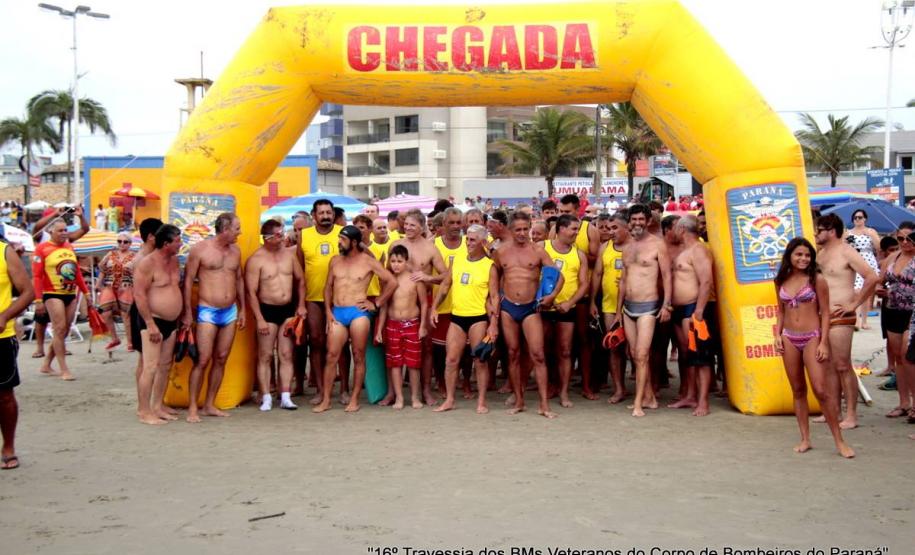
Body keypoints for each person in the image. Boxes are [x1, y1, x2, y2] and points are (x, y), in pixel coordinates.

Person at [773, 238, 854, 458]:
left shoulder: (817, 280)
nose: (803, 258)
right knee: (798, 389)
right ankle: (805, 438)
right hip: (789, 337)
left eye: (807, 255)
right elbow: (780, 311)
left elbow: (825, 312)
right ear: (790, 255)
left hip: (812, 337)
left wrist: (823, 342)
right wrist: (777, 335)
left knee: (821, 390)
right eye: (799, 254)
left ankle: (839, 441)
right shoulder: (780, 279)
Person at [313, 226, 396, 413]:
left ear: (354, 242)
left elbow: (391, 281)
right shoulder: (335, 261)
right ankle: (326, 399)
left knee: (358, 355)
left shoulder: (368, 261)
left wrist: (377, 303)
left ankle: (355, 399)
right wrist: (327, 311)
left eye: (342, 239)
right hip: (338, 311)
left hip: (358, 313)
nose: (339, 242)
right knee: (331, 355)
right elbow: (327, 287)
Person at [493, 211, 561, 418]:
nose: (522, 233)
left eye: (525, 229)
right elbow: (494, 275)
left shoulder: (538, 251)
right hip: (508, 308)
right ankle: (519, 400)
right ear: (511, 230)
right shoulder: (501, 252)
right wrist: (495, 299)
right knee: (513, 353)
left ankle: (544, 405)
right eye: (518, 230)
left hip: (531, 307)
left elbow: (558, 277)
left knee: (538, 355)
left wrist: (551, 297)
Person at [814, 214, 878, 430]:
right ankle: (834, 410)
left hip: (842, 314)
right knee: (828, 366)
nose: (816, 233)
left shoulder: (846, 252)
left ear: (831, 230)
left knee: (842, 364)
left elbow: (872, 277)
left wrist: (855, 304)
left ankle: (851, 414)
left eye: (820, 229)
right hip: (823, 315)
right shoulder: (820, 254)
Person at [183, 212, 247, 423]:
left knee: (221, 358)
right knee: (202, 359)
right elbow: (188, 281)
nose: (240, 232)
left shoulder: (235, 251)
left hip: (230, 311)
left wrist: (243, 309)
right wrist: (187, 313)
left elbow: (238, 279)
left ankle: (209, 404)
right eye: (237, 228)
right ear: (226, 229)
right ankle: (193, 406)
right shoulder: (201, 250)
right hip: (207, 309)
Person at [432, 225, 499, 414]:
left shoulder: (489, 266)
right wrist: (433, 307)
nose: (468, 243)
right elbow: (445, 285)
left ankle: (482, 401)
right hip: (457, 317)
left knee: (480, 360)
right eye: (467, 239)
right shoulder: (459, 260)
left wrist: (493, 324)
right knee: (451, 360)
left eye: (473, 240)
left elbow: (494, 297)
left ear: (483, 243)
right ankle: (450, 400)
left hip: (478, 317)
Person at [616, 204, 672, 417]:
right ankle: (649, 398)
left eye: (641, 219)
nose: (637, 223)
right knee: (633, 354)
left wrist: (667, 305)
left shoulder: (658, 245)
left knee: (641, 354)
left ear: (648, 221)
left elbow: (667, 276)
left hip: (649, 306)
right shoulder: (628, 247)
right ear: (629, 221)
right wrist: (619, 309)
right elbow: (623, 280)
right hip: (628, 307)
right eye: (634, 219)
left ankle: (638, 403)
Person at [246, 219, 307, 412]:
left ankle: (286, 395)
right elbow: (251, 293)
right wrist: (260, 318)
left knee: (286, 354)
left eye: (282, 234)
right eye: (279, 235)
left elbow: (301, 280)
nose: (283, 238)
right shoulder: (256, 259)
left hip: (288, 309)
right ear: (268, 238)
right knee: (264, 355)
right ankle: (266, 396)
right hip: (267, 310)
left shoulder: (289, 255)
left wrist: (301, 305)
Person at [391, 209, 448, 406]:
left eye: (412, 225)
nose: (408, 228)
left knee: (426, 347)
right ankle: (393, 392)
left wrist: (428, 277)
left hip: (424, 299)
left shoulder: (430, 248)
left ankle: (425, 389)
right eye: (405, 224)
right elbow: (385, 273)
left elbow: (446, 275)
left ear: (422, 226)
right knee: (393, 348)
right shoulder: (396, 245)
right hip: (399, 299)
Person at [133, 224, 184, 425]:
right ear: (166, 243)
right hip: (152, 319)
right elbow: (139, 294)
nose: (181, 243)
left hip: (171, 321)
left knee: (165, 365)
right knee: (151, 367)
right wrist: (150, 323)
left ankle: (157, 405)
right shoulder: (147, 263)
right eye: (178, 240)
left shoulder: (174, 261)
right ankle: (144, 410)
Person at [33, 215, 91, 381]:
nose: (64, 233)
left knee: (64, 330)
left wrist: (86, 293)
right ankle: (64, 368)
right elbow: (37, 276)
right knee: (59, 328)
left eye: (66, 230)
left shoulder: (69, 247)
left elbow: (76, 272)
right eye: (60, 230)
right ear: (51, 231)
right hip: (52, 293)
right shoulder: (42, 248)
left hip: (70, 293)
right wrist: (38, 300)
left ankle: (46, 364)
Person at [298, 199, 344, 404]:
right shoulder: (304, 235)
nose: (326, 216)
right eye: (321, 213)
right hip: (313, 297)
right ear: (314, 215)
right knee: (316, 341)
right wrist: (299, 302)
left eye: (329, 212)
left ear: (333, 214)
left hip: (339, 298)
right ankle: (320, 388)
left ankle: (344, 389)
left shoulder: (343, 233)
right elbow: (299, 270)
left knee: (341, 344)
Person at [668, 215, 714, 416]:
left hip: (692, 308)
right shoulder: (685, 251)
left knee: (700, 356)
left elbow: (706, 281)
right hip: (680, 310)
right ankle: (690, 395)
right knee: (687, 355)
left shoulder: (699, 250)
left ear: (682, 229)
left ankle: (703, 402)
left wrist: (700, 310)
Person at [541, 214, 589, 407]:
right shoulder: (542, 247)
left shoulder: (579, 255)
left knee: (565, 351)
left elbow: (584, 284)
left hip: (566, 308)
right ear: (561, 229)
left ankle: (564, 392)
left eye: (577, 230)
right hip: (543, 306)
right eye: (573, 229)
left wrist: (570, 302)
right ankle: (546, 388)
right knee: (540, 350)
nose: (576, 233)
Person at [376, 245, 428, 410]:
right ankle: (399, 397)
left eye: (399, 261)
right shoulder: (388, 280)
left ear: (406, 261)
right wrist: (379, 330)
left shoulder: (414, 279)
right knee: (395, 363)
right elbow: (384, 306)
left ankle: (414, 397)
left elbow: (425, 303)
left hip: (412, 323)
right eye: (393, 261)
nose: (396, 265)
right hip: (392, 324)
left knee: (413, 364)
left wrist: (423, 326)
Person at [0, 234, 36, 469]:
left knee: (3, 396)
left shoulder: (4, 252)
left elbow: (27, 292)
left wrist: (4, 316)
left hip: (1, 336)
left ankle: (9, 446)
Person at [429, 208, 469, 398]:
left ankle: (467, 381)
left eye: (458, 223)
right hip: (441, 305)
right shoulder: (433, 244)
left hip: (465, 305)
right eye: (451, 223)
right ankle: (441, 382)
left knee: (467, 348)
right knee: (439, 348)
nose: (455, 227)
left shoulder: (470, 244)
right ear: (443, 225)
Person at [877, 224, 915, 421]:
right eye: (901, 239)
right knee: (899, 359)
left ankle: (914, 405)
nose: (906, 242)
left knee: (908, 357)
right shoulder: (893, 258)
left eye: (910, 238)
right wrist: (880, 289)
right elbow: (879, 279)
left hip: (912, 313)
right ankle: (903, 402)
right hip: (893, 309)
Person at [591, 211, 629, 403]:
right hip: (609, 305)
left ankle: (645, 389)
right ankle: (619, 389)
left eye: (615, 228)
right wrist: (592, 302)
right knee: (614, 347)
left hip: (632, 306)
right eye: (608, 228)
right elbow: (597, 274)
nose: (610, 231)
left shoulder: (635, 248)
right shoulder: (604, 247)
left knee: (634, 350)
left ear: (626, 227)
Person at [98, 232, 136, 351]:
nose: (122, 244)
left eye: (125, 242)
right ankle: (115, 338)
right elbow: (103, 269)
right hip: (109, 285)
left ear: (130, 243)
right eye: (119, 241)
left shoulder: (135, 256)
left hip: (127, 285)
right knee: (105, 312)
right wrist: (99, 283)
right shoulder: (110, 254)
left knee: (126, 315)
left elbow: (138, 274)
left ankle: (130, 342)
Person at [845, 209, 881, 330]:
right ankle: (857, 320)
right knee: (856, 291)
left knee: (866, 292)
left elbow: (879, 247)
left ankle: (864, 320)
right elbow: (846, 247)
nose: (857, 220)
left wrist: (871, 235)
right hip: (855, 261)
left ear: (865, 219)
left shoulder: (871, 231)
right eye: (855, 218)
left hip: (868, 260)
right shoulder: (849, 233)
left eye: (860, 217)